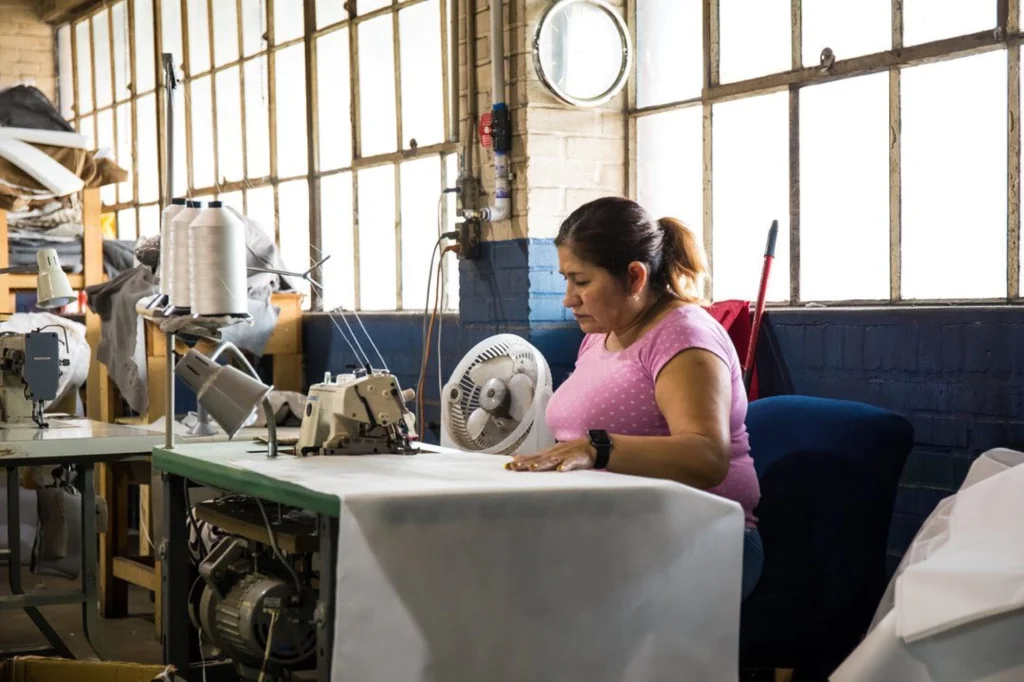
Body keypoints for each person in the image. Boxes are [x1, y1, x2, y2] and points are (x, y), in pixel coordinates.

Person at [506, 196, 764, 599]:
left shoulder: (683, 337)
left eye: (582, 281)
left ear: (635, 276)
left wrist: (597, 450)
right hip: (611, 531)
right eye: (565, 280)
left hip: (700, 536)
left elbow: (707, 456)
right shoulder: (600, 337)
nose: (568, 298)